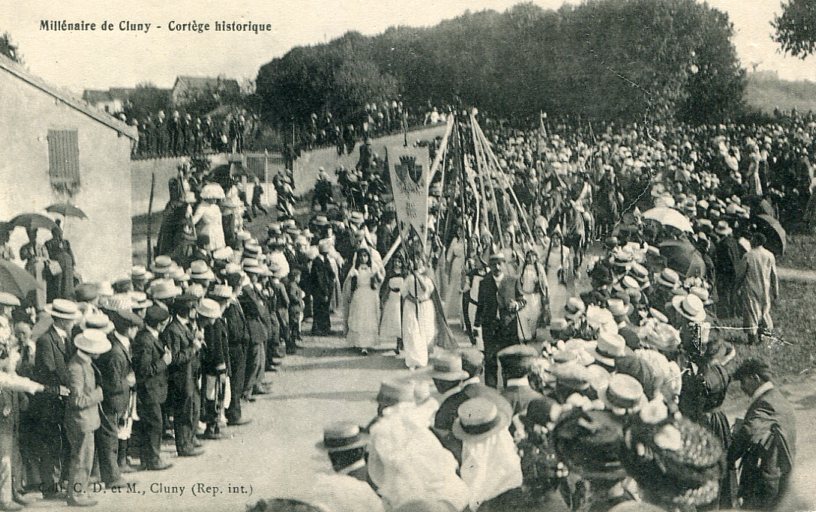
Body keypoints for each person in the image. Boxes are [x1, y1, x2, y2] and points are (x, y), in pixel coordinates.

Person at [728, 359, 796, 510]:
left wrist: (728, 456)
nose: (742, 388)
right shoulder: (777, 396)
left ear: (755, 378)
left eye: (743, 382)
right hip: (780, 472)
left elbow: (748, 432)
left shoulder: (765, 403)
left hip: (766, 478)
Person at [30, 299, 79, 500]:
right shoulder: (46, 340)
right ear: (60, 320)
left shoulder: (65, 338)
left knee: (61, 442)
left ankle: (60, 481)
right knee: (51, 444)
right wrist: (68, 383)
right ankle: (49, 486)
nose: (72, 323)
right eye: (69, 320)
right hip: (51, 400)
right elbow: (47, 372)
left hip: (63, 397)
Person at [64, 329, 110, 507]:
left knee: (85, 459)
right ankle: (75, 495)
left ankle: (79, 491)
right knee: (81, 460)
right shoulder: (76, 368)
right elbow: (76, 400)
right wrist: (98, 395)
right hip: (81, 421)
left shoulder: (85, 363)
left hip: (87, 420)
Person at [95, 308, 141, 488]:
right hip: (112, 401)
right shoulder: (116, 351)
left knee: (111, 438)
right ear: (129, 329)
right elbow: (112, 384)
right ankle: (112, 478)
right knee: (109, 439)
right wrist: (127, 382)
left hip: (116, 401)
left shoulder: (118, 344)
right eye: (135, 328)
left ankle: (112, 474)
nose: (136, 331)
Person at [132, 305, 173, 471]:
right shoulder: (146, 341)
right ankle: (153, 460)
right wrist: (164, 362)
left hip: (153, 389)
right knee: (154, 425)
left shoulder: (148, 336)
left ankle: (148, 458)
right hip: (149, 390)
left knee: (152, 425)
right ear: (160, 324)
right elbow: (144, 370)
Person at [162, 294, 204, 455]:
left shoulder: (184, 326)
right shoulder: (173, 330)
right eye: (194, 308)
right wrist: (193, 348)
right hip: (181, 377)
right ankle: (184, 445)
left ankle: (190, 438)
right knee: (183, 410)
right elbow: (174, 358)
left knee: (193, 407)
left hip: (190, 374)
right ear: (187, 310)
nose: (196, 312)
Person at [475, 253, 519, 387]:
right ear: (490, 266)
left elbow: (522, 300)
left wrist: (517, 305)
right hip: (490, 327)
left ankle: (508, 390)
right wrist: (476, 327)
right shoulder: (484, 283)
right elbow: (480, 306)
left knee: (509, 361)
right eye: (494, 264)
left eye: (500, 263)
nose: (497, 267)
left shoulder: (512, 281)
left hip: (508, 327)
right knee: (490, 362)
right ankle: (491, 393)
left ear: (504, 265)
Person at [737, 233, 779, 344]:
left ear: (755, 241)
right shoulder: (770, 255)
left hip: (751, 288)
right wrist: (775, 291)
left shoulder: (748, 256)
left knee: (752, 313)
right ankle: (763, 337)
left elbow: (741, 274)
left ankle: (752, 339)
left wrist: (736, 287)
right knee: (764, 311)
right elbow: (774, 275)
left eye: (751, 239)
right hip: (765, 288)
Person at [343, 248, 383, 355]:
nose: (363, 258)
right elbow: (350, 284)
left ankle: (367, 343)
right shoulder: (355, 269)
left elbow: (380, 280)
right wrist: (351, 279)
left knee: (369, 319)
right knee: (359, 318)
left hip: (370, 295)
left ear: (368, 257)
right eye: (361, 256)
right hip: (359, 295)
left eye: (365, 256)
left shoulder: (372, 268)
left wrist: (376, 273)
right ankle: (360, 343)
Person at [401, 260, 438, 370]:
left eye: (420, 261)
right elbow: (404, 292)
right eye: (415, 260)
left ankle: (423, 355)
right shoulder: (409, 278)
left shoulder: (427, 278)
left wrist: (417, 275)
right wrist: (412, 299)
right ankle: (413, 360)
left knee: (426, 332)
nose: (417, 262)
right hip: (411, 306)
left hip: (425, 306)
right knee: (412, 331)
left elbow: (426, 289)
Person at [516, 249, 549, 342]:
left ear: (535, 257)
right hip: (525, 295)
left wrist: (541, 283)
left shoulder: (539, 267)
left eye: (532, 256)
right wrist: (520, 292)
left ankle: (533, 333)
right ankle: (524, 337)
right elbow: (518, 280)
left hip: (535, 296)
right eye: (528, 256)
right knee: (523, 315)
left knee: (534, 315)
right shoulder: (522, 268)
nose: (530, 258)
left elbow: (545, 282)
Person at [309, 241, 335, 336]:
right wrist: (325, 292)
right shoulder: (317, 262)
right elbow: (319, 279)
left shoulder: (325, 260)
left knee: (325, 309)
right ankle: (318, 328)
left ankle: (325, 328)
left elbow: (331, 273)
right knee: (319, 309)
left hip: (326, 289)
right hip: (319, 290)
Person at [44, 226, 76, 302]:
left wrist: (73, 265)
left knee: (68, 283)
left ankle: (68, 298)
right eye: (56, 232)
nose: (59, 234)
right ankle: (58, 299)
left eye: (60, 232)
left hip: (67, 263)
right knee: (58, 282)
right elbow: (48, 255)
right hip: (57, 263)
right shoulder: (49, 243)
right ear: (53, 233)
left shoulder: (65, 242)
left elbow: (70, 253)